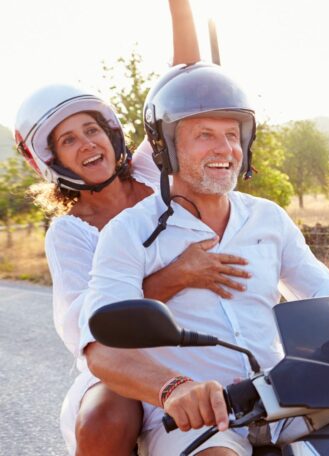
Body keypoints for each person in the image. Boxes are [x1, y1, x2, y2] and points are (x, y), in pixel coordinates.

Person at [78, 62, 329, 456]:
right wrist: (173, 388)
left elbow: (324, 291)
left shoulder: (267, 217)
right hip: (198, 420)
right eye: (205, 135)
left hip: (287, 397)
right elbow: (101, 347)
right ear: (166, 147)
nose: (225, 149)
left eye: (233, 135)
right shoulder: (129, 232)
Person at [14, 2, 252, 454]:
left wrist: (179, 6)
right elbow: (92, 328)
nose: (86, 144)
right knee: (107, 414)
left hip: (199, 335)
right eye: (68, 140)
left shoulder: (151, 170)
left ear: (112, 133)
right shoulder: (70, 233)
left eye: (92, 129)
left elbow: (184, 74)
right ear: (53, 161)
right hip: (127, 361)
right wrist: (177, 275)